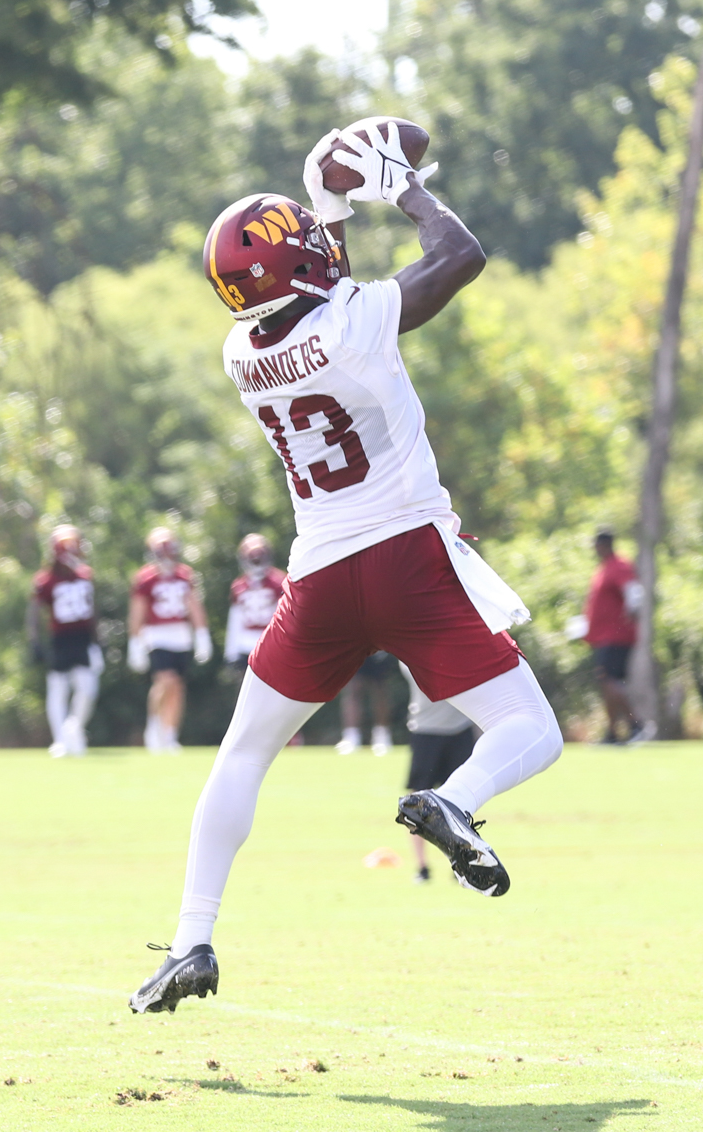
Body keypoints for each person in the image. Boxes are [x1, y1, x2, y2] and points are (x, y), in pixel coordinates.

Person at [130, 121, 563, 1014]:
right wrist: (401, 186)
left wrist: (325, 208)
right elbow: (460, 255)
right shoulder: (356, 323)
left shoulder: (242, 354)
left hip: (321, 577)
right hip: (407, 559)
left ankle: (191, 940)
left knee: (243, 754)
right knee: (529, 727)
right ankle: (455, 800)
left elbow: (319, 288)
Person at [127, 527, 213, 753]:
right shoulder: (145, 578)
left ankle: (170, 734)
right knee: (165, 680)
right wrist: (135, 642)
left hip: (180, 635)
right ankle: (154, 726)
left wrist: (202, 634)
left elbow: (193, 606)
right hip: (156, 634)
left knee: (177, 686)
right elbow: (138, 611)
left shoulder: (185, 575)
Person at [26, 524, 104, 757]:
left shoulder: (85, 574)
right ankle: (60, 740)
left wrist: (98, 640)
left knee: (88, 689)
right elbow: (34, 611)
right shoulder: (45, 579)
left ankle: (73, 728)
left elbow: (92, 609)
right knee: (58, 688)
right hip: (60, 639)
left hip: (82, 638)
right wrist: (34, 641)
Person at [398, 661, 475, 883]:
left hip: (460, 731)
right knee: (417, 803)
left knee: (462, 800)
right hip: (426, 731)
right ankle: (422, 866)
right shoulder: (410, 657)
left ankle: (461, 862)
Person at [577, 527, 648, 745]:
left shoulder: (619, 565)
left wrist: (631, 614)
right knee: (607, 682)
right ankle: (612, 733)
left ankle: (636, 725)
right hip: (603, 636)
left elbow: (634, 592)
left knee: (610, 681)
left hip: (616, 635)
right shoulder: (604, 568)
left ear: (604, 545)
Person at [223, 533, 285, 672]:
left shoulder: (279, 582)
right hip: (246, 645)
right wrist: (231, 652)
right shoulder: (239, 586)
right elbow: (235, 619)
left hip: (271, 644)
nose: (256, 559)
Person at [336, 653, 394, 755]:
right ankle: (351, 736)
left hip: (379, 649)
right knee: (353, 689)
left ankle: (382, 736)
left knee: (379, 690)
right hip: (354, 648)